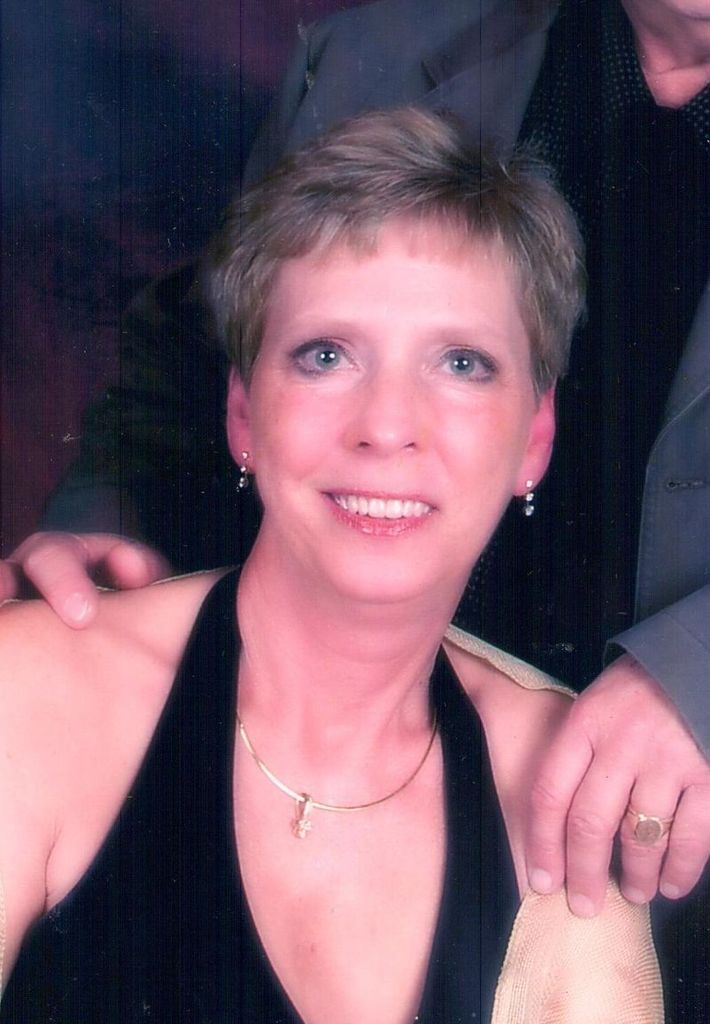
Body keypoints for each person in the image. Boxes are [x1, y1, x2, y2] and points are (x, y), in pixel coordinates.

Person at [2, 0, 709, 919]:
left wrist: (697, 673)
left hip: (649, 854)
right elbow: (206, 358)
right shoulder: (375, 55)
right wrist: (99, 542)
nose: (386, 425)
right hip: (287, 775)